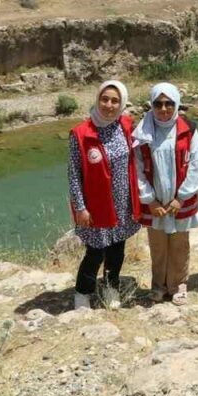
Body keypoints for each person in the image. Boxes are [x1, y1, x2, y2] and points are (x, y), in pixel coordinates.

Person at [67, 80, 142, 311]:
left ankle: (111, 286)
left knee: (117, 250)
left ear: (121, 103)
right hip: (95, 205)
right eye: (105, 99)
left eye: (115, 100)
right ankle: (82, 292)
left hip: (122, 204)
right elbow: (73, 174)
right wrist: (80, 207)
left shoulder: (126, 126)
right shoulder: (80, 134)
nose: (109, 105)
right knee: (95, 252)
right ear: (97, 99)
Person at [134, 83, 198, 306]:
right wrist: (149, 200)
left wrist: (181, 197)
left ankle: (178, 285)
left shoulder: (189, 129)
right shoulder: (142, 132)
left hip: (178, 201)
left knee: (179, 244)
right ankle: (158, 286)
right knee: (158, 246)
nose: (163, 108)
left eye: (169, 103)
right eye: (158, 103)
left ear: (176, 104)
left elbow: (196, 164)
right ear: (151, 105)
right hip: (155, 203)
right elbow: (136, 168)